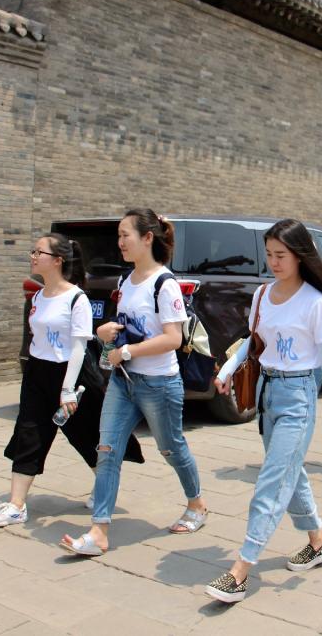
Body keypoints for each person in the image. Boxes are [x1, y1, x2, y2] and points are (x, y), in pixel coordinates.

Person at [203, 219, 322, 603]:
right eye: (269, 254)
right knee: (290, 471)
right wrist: (227, 369)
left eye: (281, 255)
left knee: (272, 480)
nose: (274, 262)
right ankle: (318, 541)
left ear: (300, 255)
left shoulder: (317, 303)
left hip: (299, 397)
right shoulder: (262, 295)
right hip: (268, 393)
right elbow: (253, 341)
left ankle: (241, 569)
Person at [60, 208, 207, 555]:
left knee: (171, 448)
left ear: (147, 238)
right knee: (107, 449)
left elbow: (173, 338)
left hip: (159, 384)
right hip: (123, 382)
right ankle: (98, 531)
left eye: (125, 235)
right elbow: (124, 327)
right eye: (119, 236)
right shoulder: (126, 281)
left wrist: (127, 352)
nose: (120, 242)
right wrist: (105, 332)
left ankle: (197, 505)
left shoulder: (164, 284)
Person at [0, 234, 144, 528]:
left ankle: (104, 487)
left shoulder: (76, 298)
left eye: (39, 252)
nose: (33, 256)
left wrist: (68, 389)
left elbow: (79, 347)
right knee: (29, 433)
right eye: (33, 251)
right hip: (37, 374)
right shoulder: (37, 297)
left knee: (86, 434)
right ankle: (17, 505)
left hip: (72, 375)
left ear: (57, 260)